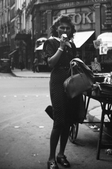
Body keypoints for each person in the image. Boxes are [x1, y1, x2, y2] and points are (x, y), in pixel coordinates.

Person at [43, 14, 80, 169]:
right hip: (58, 81)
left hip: (71, 82)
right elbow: (51, 63)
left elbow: (75, 62)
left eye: (67, 27)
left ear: (71, 30)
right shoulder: (50, 42)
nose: (65, 30)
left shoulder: (73, 45)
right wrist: (61, 47)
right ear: (56, 29)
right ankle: (51, 158)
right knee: (59, 120)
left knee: (68, 121)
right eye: (62, 27)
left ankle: (61, 154)